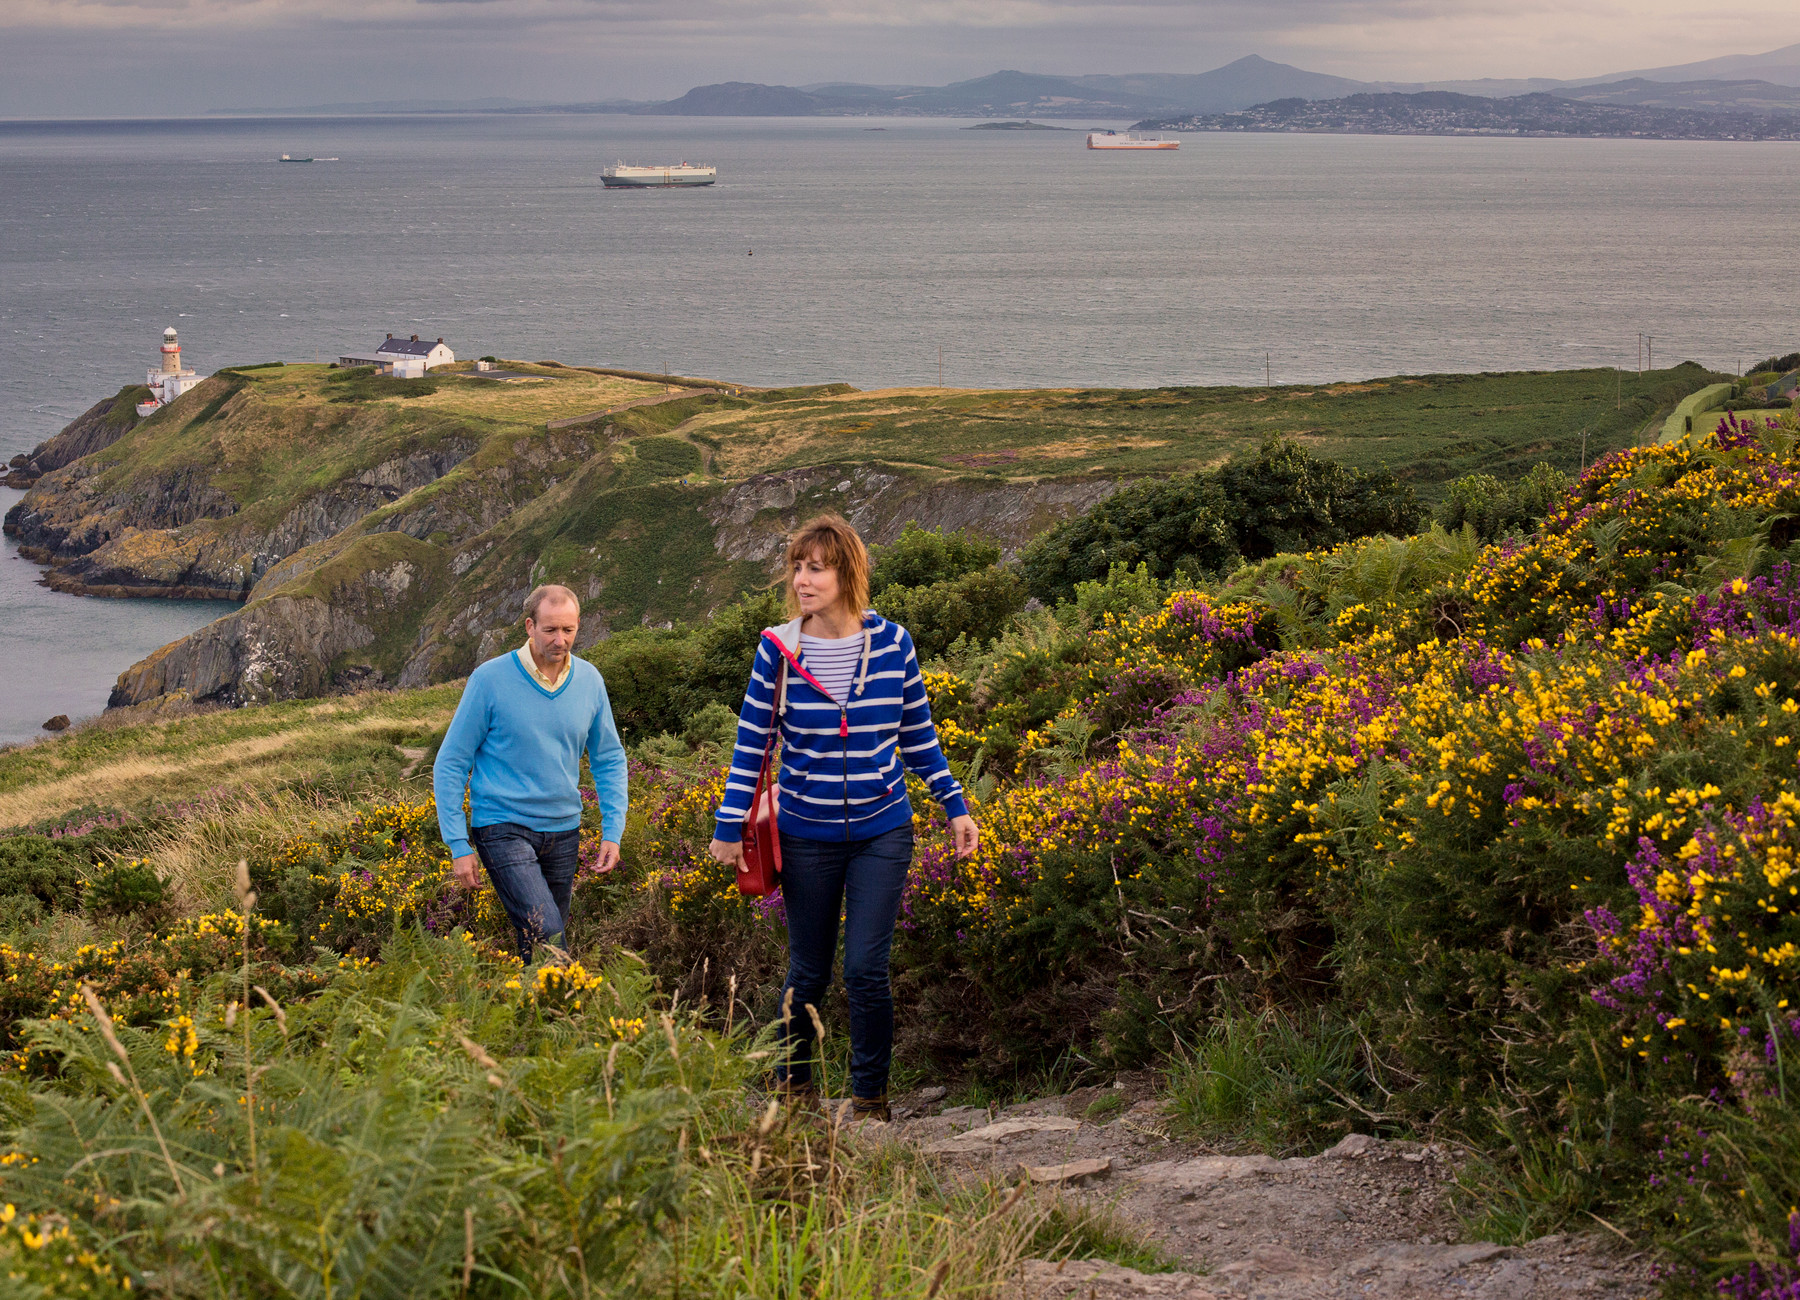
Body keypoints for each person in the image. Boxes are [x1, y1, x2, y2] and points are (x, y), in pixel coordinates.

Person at [710, 514, 980, 1121]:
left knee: (864, 968)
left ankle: (870, 1102)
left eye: (817, 567)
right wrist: (729, 829)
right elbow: (751, 745)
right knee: (806, 971)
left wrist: (954, 805)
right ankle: (795, 1092)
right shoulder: (778, 651)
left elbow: (918, 736)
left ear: (848, 572)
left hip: (884, 828)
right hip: (805, 833)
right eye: (798, 567)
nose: (803, 580)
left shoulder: (893, 644)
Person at [434, 584, 626, 962]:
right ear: (529, 626)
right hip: (502, 827)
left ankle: (534, 1012)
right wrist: (458, 843)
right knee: (549, 935)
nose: (561, 639)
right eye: (551, 629)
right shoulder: (489, 679)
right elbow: (452, 761)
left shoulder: (590, 681)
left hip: (564, 830)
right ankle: (571, 1011)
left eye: (568, 630)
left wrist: (613, 830)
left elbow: (609, 758)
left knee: (539, 940)